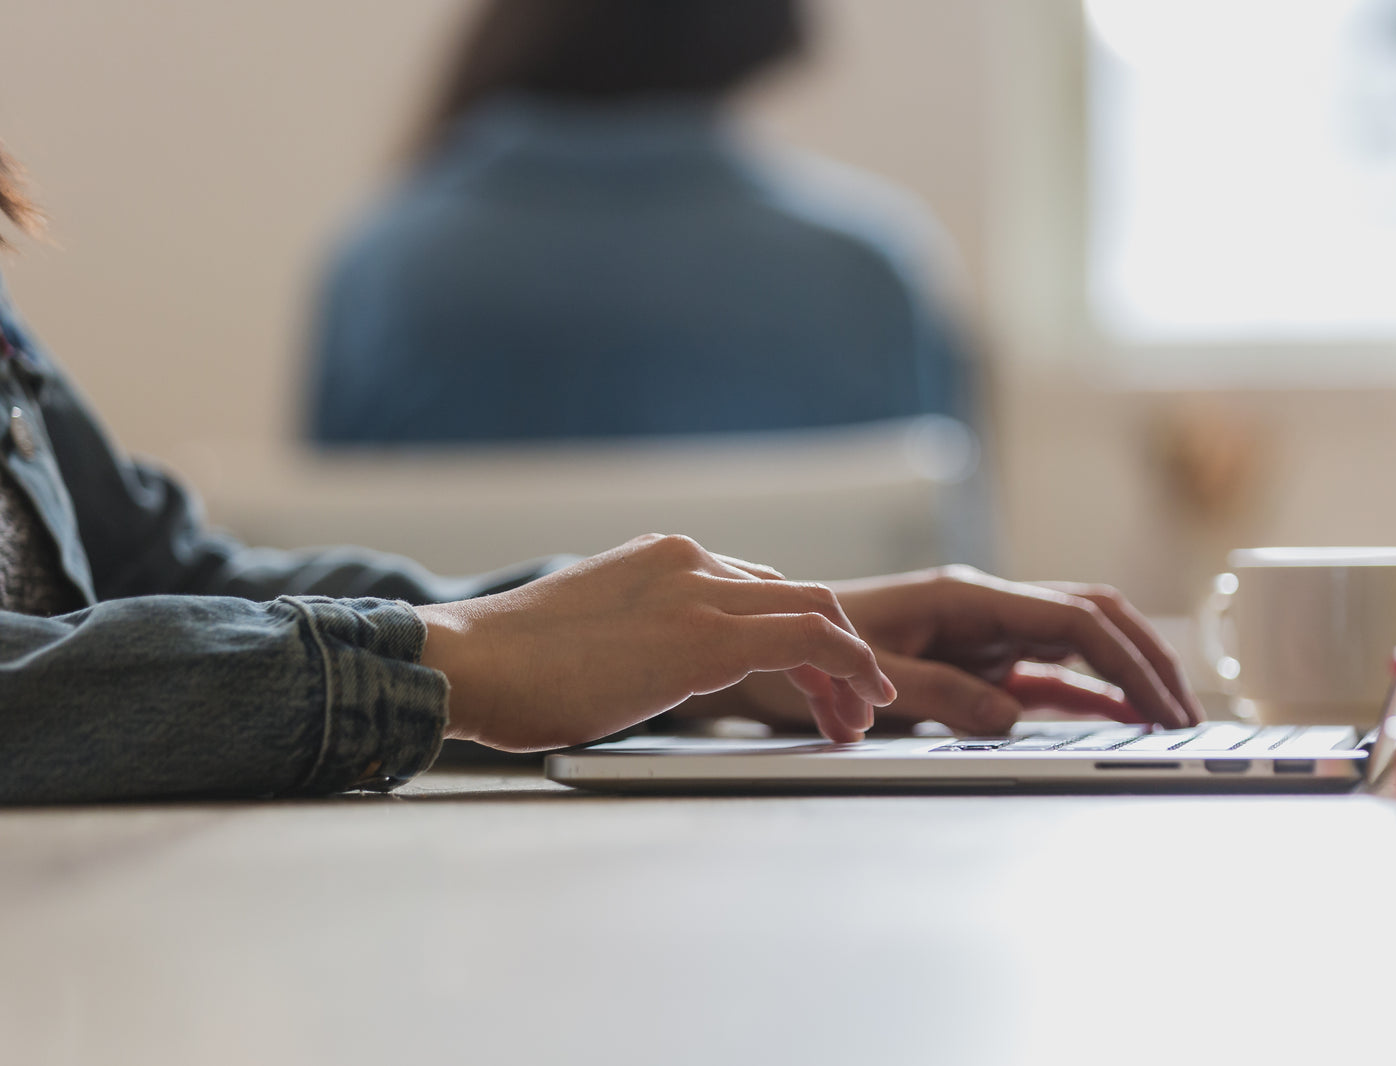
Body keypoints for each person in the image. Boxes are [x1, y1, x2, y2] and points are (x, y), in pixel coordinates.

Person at [0, 145, 1200, 806]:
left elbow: (168, 581)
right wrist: (453, 661)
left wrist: (685, 651)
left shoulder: (382, 257)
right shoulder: (871, 256)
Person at [306, 0, 974, 444]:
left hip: (459, 668)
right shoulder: (867, 271)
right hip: (798, 668)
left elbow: (330, 610)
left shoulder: (383, 264)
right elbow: (950, 591)